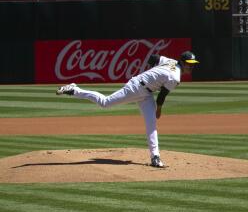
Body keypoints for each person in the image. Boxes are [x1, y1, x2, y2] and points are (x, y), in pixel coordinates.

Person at [54, 51, 200, 168]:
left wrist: (149, 74)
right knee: (105, 102)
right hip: (135, 87)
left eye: (193, 64)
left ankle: (155, 157)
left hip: (146, 93)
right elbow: (161, 96)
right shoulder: (175, 76)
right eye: (189, 64)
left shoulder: (170, 61)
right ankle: (74, 89)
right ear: (182, 61)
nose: (191, 67)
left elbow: (153, 57)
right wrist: (159, 109)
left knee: (151, 124)